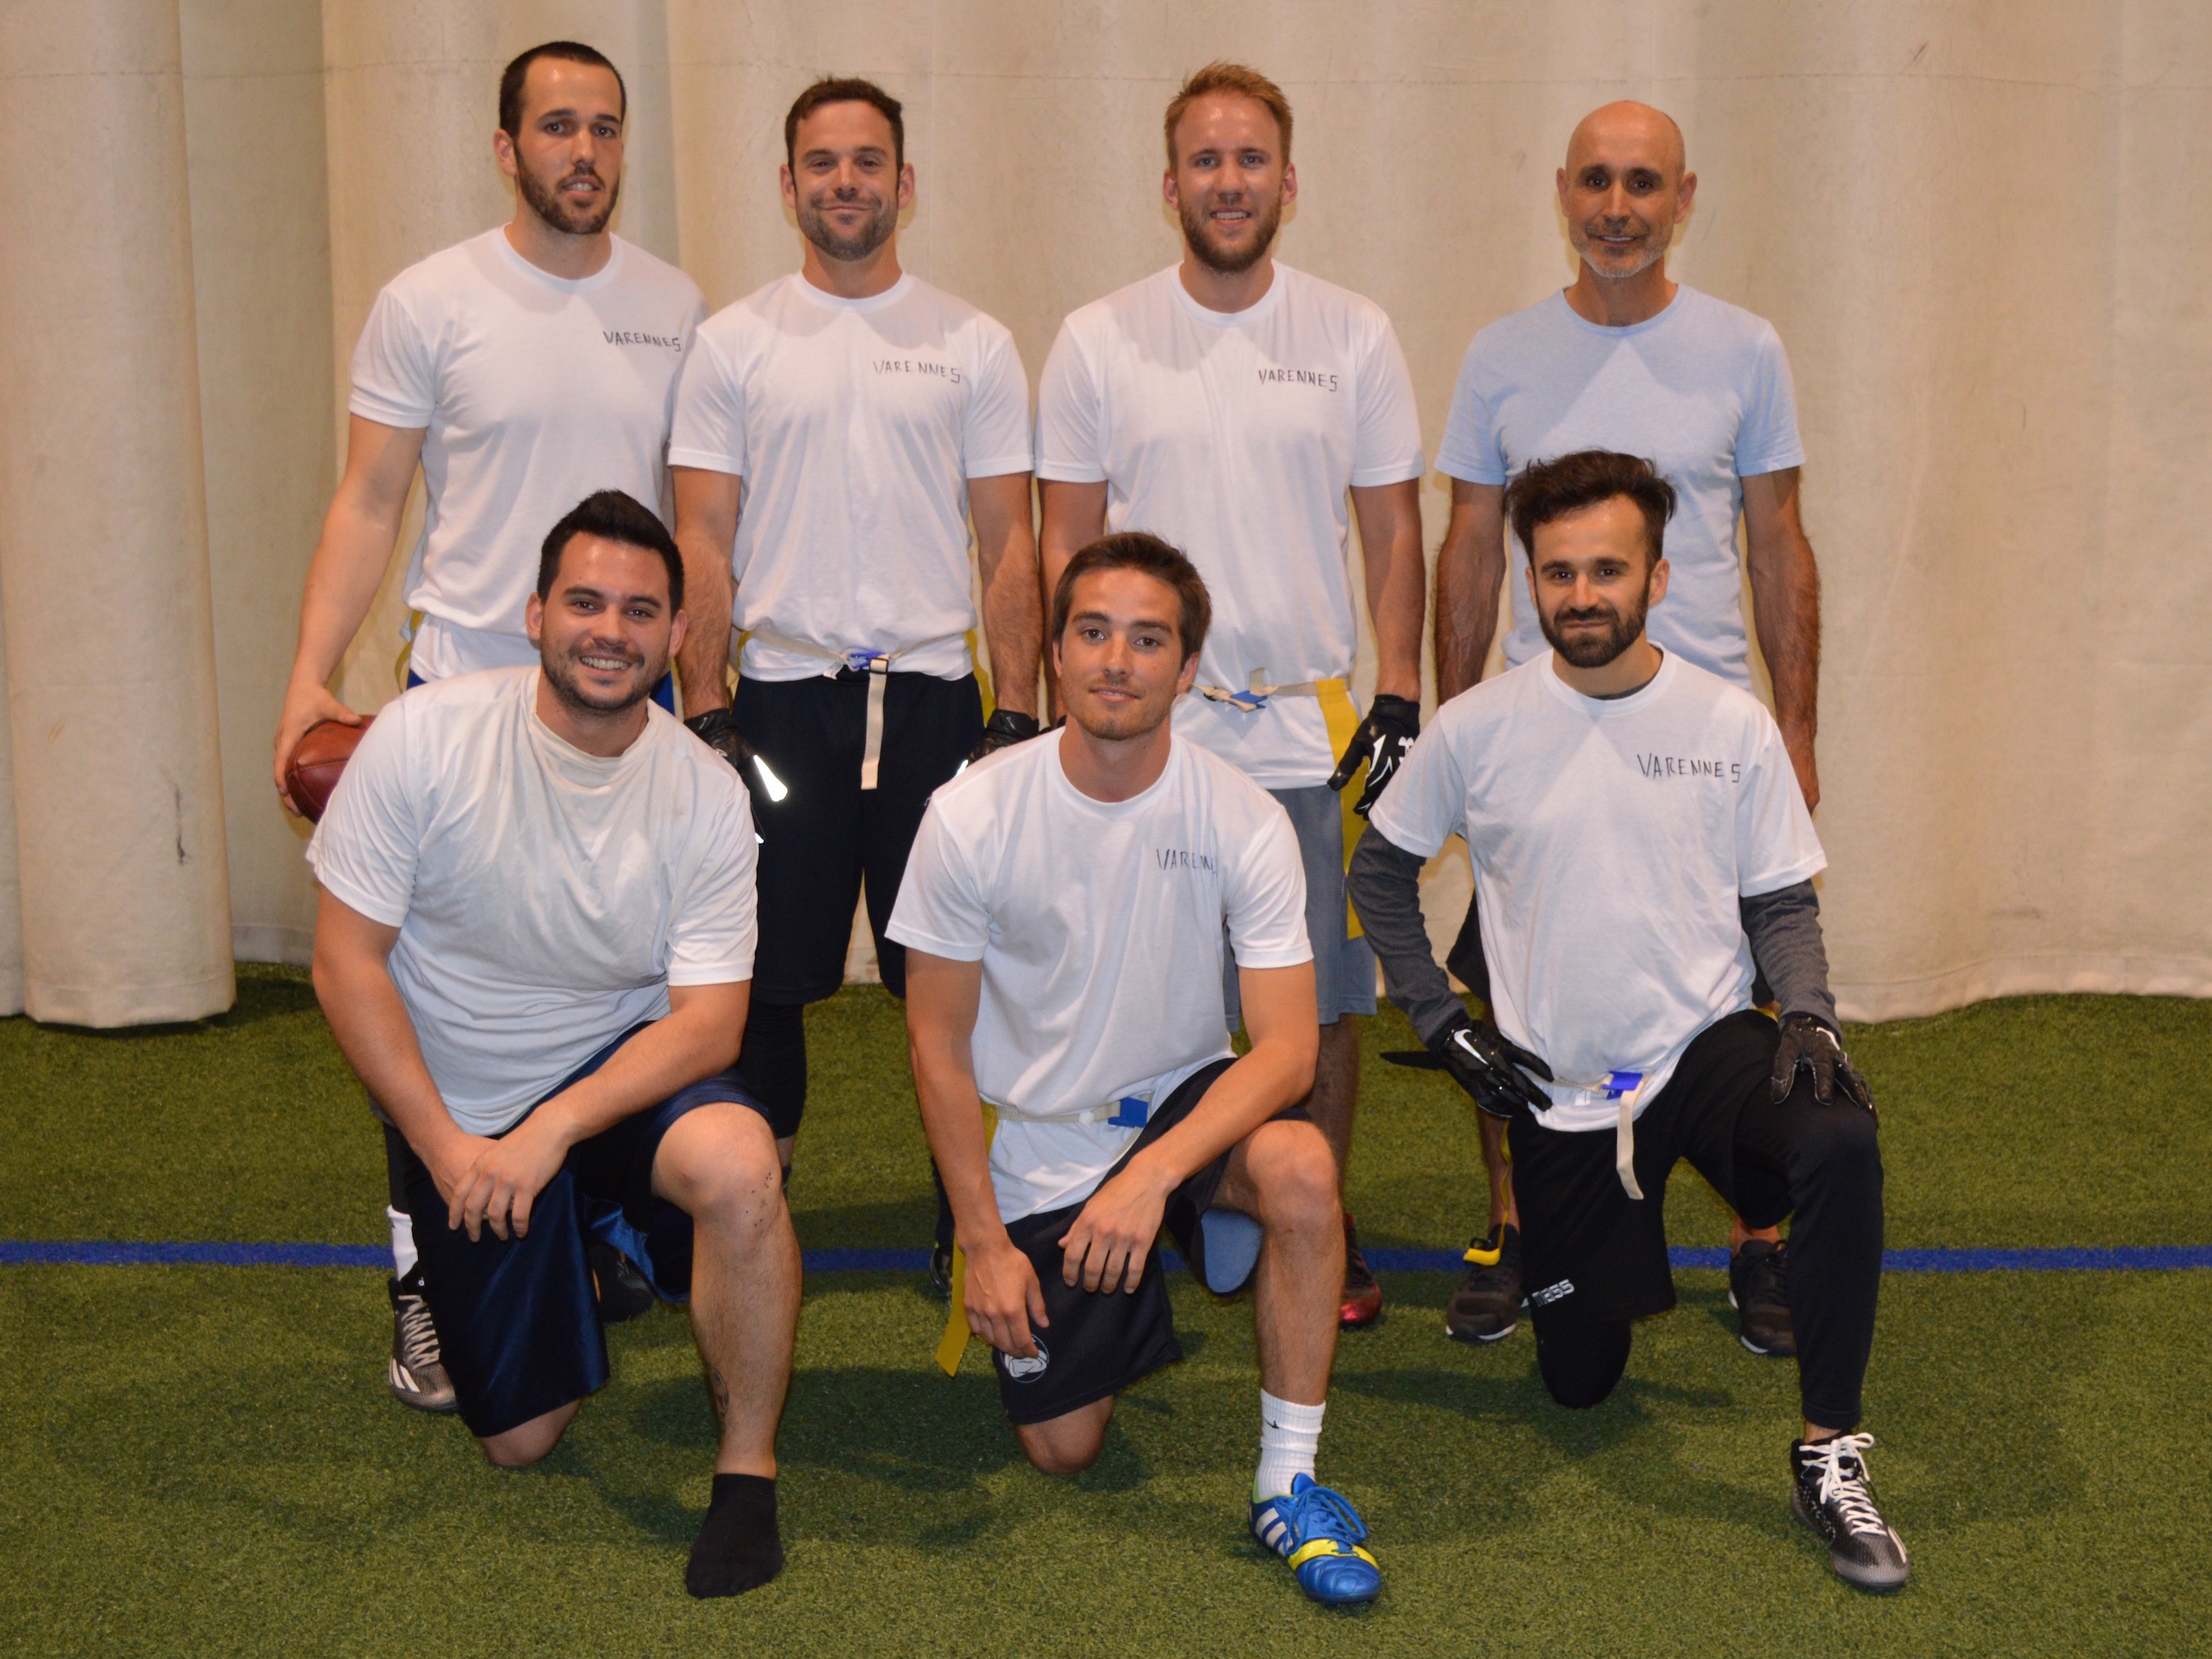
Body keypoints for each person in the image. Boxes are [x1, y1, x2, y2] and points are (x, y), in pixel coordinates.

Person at [1349, 452, 1907, 1592]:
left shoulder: (1729, 722)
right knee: (1580, 1380)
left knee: (1838, 1135)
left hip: (1702, 1051)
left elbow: (1780, 902)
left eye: (1608, 569)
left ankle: (1829, 1452)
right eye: (1559, 572)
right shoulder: (1477, 728)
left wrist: (1808, 1011)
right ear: (1530, 581)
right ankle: (1600, 1270)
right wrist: (1442, 1022)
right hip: (1563, 1088)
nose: (1582, 594)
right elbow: (1380, 874)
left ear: (1657, 576)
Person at [272, 40, 706, 1410]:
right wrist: (309, 675)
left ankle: (577, 1218)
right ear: (507, 147)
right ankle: (422, 1267)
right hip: (463, 702)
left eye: (606, 128)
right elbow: (369, 500)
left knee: (613, 981)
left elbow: (696, 523)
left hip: (622, 708)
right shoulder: (429, 300)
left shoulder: (675, 305)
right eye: (558, 127)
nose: (585, 152)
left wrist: (707, 693)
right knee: (427, 1000)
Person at [307, 491, 797, 1600]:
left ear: (677, 635)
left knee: (741, 1169)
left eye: (640, 611)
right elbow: (345, 965)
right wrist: (446, 1150)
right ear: (534, 614)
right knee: (520, 1439)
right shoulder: (424, 740)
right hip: (472, 1116)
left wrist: (557, 1131)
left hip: (617, 1078)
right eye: (584, 602)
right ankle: (579, 1238)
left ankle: (746, 1476)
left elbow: (710, 1023)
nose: (609, 631)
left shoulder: (705, 791)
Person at [893, 534, 1383, 1606]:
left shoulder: (1242, 816)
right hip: (1041, 1130)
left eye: (1149, 639)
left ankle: (1287, 1480)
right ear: (1056, 652)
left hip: (1180, 1103)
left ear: (1188, 667)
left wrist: (1152, 1176)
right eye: (1094, 632)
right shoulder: (970, 814)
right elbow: (936, 1045)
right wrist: (983, 1245)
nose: (1118, 660)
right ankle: (1155, 1249)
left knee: (1301, 1166)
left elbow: (1288, 1048)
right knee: (1064, 1448)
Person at [1035, 62, 1427, 1329]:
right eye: (1205, 160)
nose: (1228, 180)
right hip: (1142, 725)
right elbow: (1064, 541)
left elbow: (1393, 529)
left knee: (1323, 1000)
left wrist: (1401, 686)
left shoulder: (1352, 332)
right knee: (1134, 982)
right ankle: (1133, 1197)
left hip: (1306, 728)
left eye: (1251, 158)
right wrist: (1070, 695)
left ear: (1289, 182)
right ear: (1169, 185)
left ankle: (1316, 1218)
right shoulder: (1100, 337)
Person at [1429, 101, 1824, 1353]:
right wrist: (1454, 727)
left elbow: (1777, 543)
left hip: (1704, 753)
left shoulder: (1744, 350)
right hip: (1541, 746)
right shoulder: (1501, 354)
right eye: (1596, 180)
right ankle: (1519, 1223)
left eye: (1643, 183)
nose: (1617, 206)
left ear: (1683, 198)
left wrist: (1797, 729)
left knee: (1736, 1002)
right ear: (1562, 190)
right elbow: (1469, 549)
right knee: (1512, 991)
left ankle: (1758, 1238)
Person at [669, 76, 1040, 1222]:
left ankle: (969, 1217)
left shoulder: (973, 343)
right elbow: (702, 535)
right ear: (788, 185)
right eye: (822, 163)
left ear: (905, 183)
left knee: (950, 975)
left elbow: (1008, 541)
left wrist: (1017, 715)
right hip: (782, 704)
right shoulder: (732, 344)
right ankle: (756, 1202)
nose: (846, 182)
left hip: (934, 700)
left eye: (868, 162)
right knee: (767, 978)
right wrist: (705, 707)